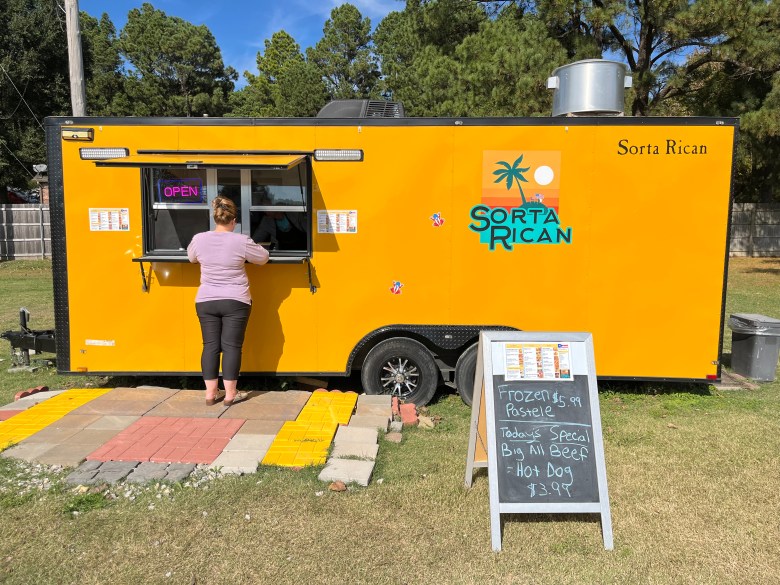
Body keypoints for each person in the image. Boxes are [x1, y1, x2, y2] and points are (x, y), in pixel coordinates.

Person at [187, 196, 269, 406]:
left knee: (210, 346)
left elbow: (191, 258)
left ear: (215, 219)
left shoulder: (199, 239)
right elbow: (263, 258)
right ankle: (231, 395)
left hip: (206, 300)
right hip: (235, 300)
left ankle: (210, 395)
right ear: (233, 221)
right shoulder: (241, 241)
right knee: (232, 346)